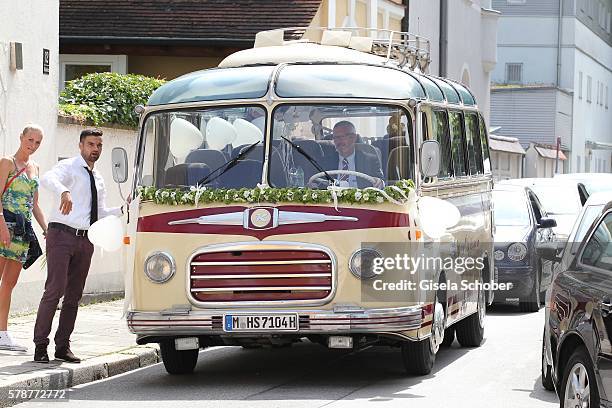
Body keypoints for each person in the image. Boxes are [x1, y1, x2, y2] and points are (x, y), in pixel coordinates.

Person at [33, 128, 122, 363]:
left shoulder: (99, 178)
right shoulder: (70, 167)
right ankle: (40, 346)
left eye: (99, 145)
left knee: (74, 295)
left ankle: (63, 346)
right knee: (55, 289)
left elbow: (101, 212)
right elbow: (47, 178)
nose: (95, 149)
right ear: (81, 145)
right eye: (91, 144)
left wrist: (124, 209)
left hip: (86, 239)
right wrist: (64, 191)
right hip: (61, 235)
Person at [0, 125, 47, 352]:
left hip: (22, 232)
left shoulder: (35, 167)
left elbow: (34, 204)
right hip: (3, 227)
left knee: (9, 283)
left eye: (38, 142)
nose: (33, 145)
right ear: (21, 137)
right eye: (30, 140)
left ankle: (2, 333)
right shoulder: (7, 162)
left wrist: (47, 229)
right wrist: (2, 227)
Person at [328, 121, 384, 188]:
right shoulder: (326, 161)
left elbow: (381, 182)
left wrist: (379, 182)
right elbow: (320, 183)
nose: (339, 141)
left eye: (343, 137)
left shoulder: (369, 160)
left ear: (353, 138)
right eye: (336, 137)